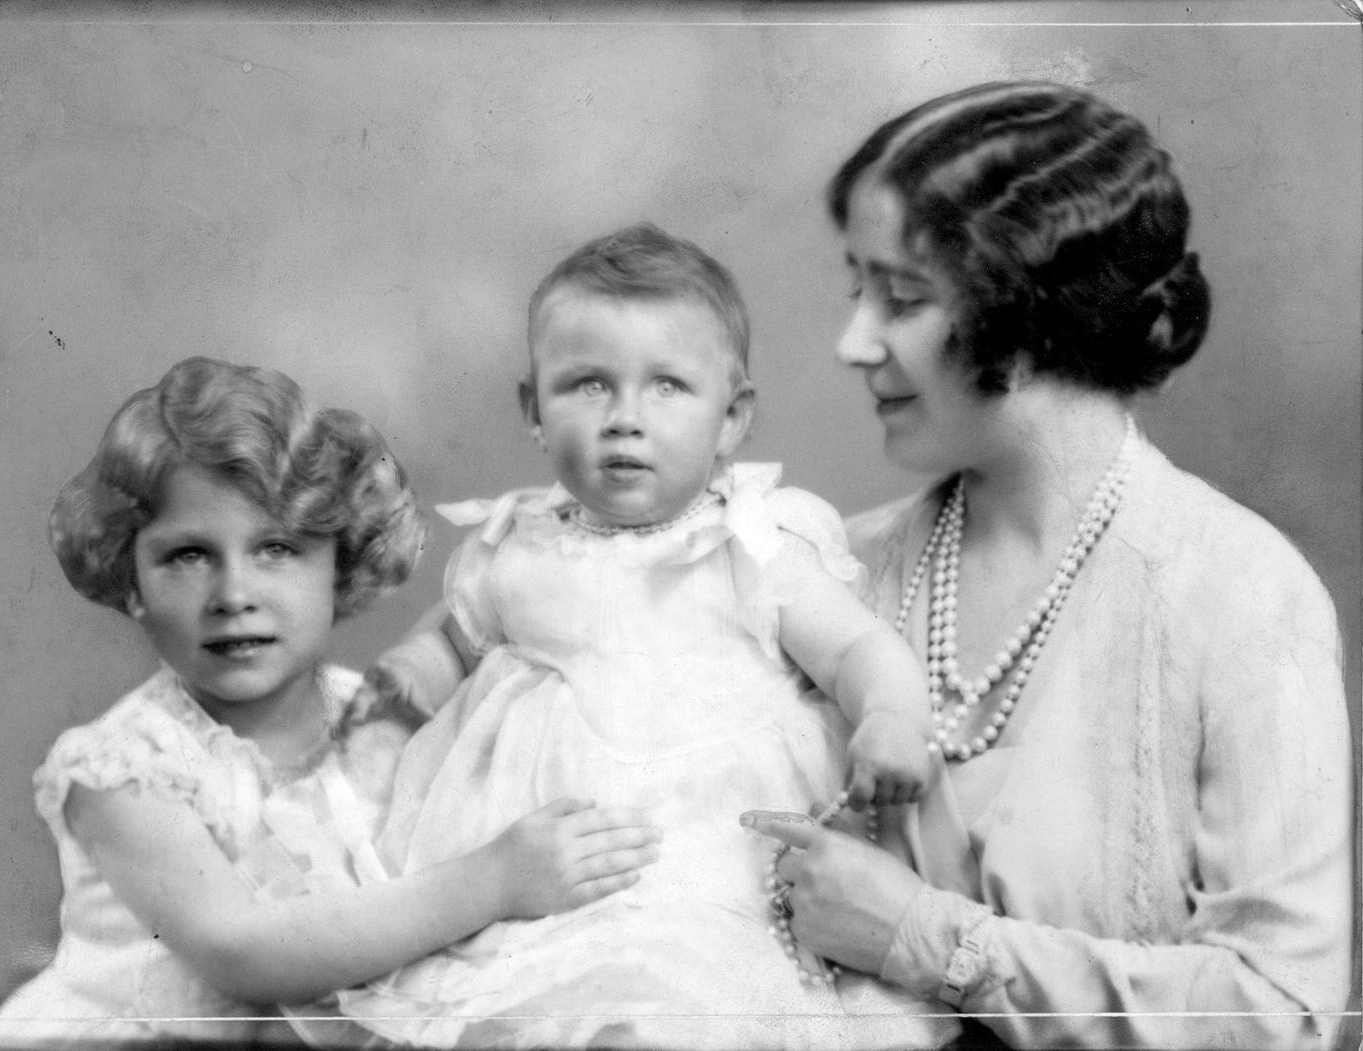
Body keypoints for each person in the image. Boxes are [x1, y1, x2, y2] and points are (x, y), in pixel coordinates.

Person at [742, 80, 1354, 1050]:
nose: (850, 341)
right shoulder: (832, 572)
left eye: (898, 297)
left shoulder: (1239, 592)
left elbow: (1280, 1011)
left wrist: (921, 938)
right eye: (853, 290)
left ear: (1023, 318)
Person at [334, 223, 958, 1049]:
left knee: (682, 994)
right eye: (588, 385)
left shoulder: (753, 541)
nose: (625, 418)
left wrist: (890, 717)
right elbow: (460, 635)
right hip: (541, 848)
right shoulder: (517, 540)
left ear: (732, 418)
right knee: (537, 1000)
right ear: (533, 409)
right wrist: (415, 667)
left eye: (667, 386)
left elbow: (856, 649)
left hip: (710, 848)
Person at [0, 357, 662, 1050]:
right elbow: (242, 951)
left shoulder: (379, 716)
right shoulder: (123, 768)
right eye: (188, 555)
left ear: (342, 564)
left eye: (276, 548)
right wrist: (491, 879)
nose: (233, 592)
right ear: (131, 582)